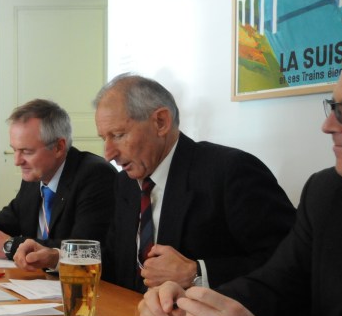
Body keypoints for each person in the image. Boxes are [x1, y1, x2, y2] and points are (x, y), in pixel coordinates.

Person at [138, 45, 342, 316]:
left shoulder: (230, 169)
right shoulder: (330, 192)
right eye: (333, 107)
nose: (327, 126)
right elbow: (276, 285)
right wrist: (192, 307)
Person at [93, 73, 295, 292]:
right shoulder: (125, 183)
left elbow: (289, 262)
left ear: (161, 122)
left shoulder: (231, 171)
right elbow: (117, 263)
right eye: (104, 138)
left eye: (118, 135)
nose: (108, 154)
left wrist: (197, 273)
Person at [0, 99, 115, 268]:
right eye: (14, 150)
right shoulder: (37, 175)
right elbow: (11, 217)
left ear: (58, 147)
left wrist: (9, 246)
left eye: (26, 151)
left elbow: (82, 250)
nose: (17, 161)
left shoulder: (95, 175)